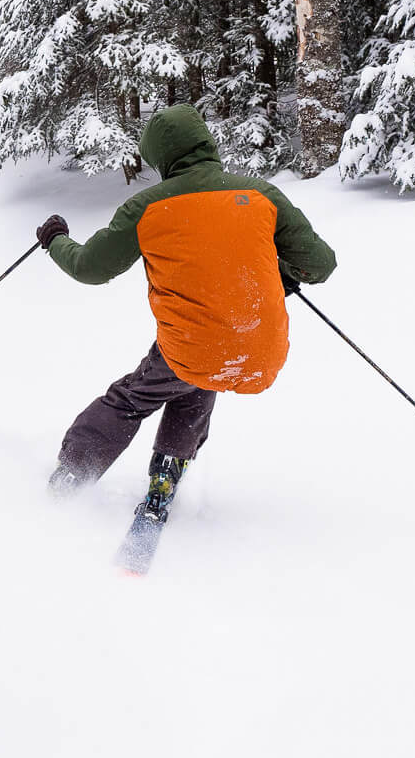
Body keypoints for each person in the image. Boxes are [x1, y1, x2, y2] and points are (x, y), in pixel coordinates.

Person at [36, 105, 336, 521]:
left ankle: (73, 474)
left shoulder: (148, 206)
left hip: (191, 345)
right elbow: (319, 265)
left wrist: (55, 241)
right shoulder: (261, 195)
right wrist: (282, 275)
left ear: (160, 156)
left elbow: (90, 268)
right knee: (197, 378)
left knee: (136, 394)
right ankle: (167, 475)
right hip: (261, 349)